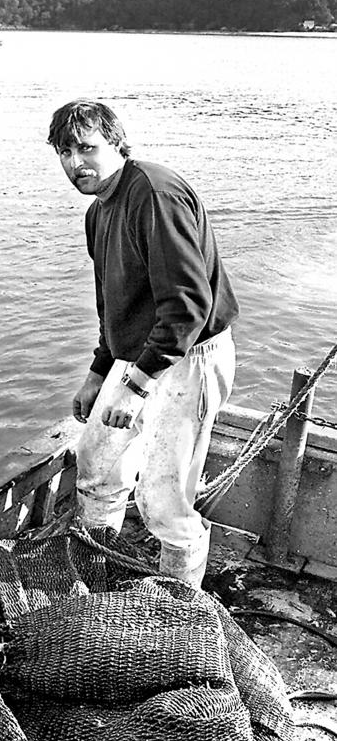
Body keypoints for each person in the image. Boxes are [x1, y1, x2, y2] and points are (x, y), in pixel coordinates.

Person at [48, 99, 239, 588]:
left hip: (188, 354)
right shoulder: (99, 212)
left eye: (86, 148)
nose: (75, 163)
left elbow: (188, 305)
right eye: (64, 151)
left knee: (164, 498)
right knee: (96, 465)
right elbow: (113, 303)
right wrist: (100, 371)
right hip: (139, 355)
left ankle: (180, 611)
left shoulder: (153, 194)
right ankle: (97, 579)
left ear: (116, 143)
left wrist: (135, 387)